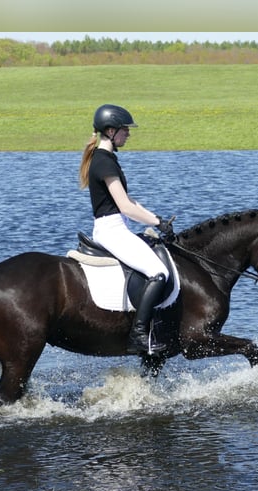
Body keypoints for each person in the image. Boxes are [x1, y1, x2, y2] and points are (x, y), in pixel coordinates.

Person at [78, 104, 175, 354]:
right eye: (124, 130)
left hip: (117, 227)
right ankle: (139, 335)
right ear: (110, 131)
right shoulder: (104, 162)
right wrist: (156, 223)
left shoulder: (106, 159)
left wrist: (157, 218)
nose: (128, 134)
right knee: (158, 272)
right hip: (112, 231)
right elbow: (124, 206)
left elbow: (130, 202)